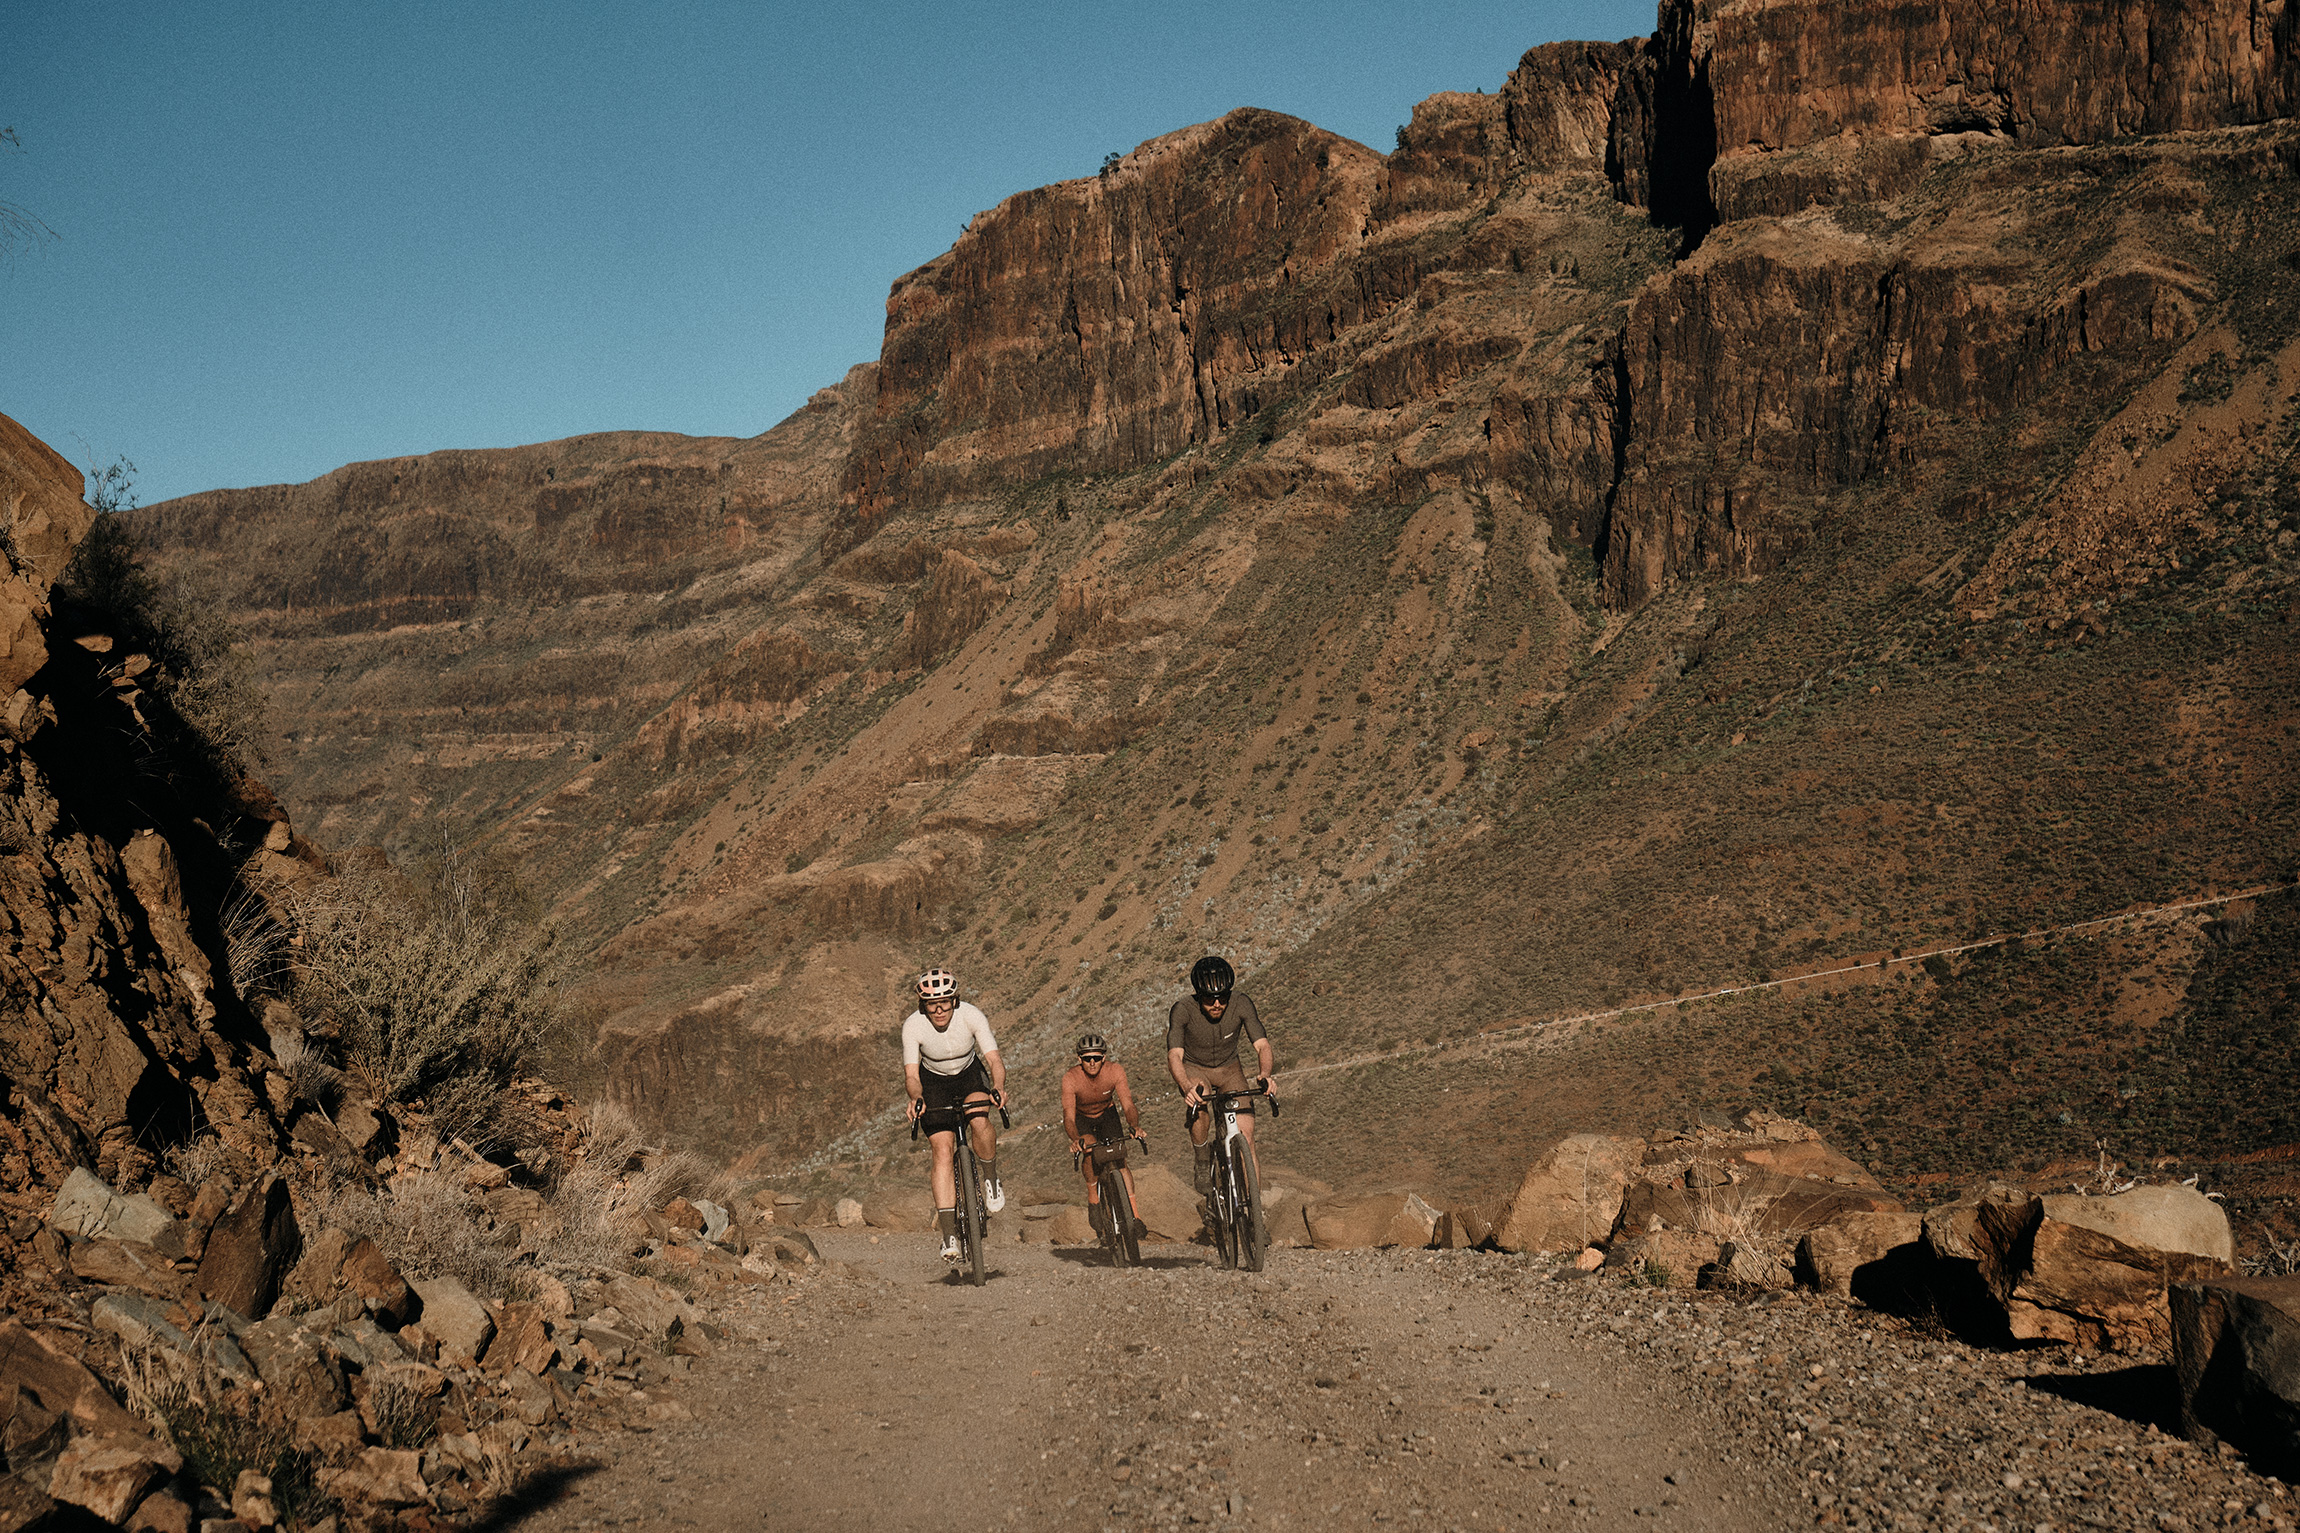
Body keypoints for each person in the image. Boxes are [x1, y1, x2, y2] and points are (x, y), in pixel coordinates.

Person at [901, 967, 1007, 1261]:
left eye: (945, 1002)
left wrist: (998, 1086)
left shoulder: (972, 1015)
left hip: (969, 1075)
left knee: (980, 1119)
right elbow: (912, 1075)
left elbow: (994, 1060)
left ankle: (990, 1178)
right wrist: (916, 1097)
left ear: (955, 1001)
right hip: (933, 1083)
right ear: (923, 1005)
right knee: (942, 1150)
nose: (939, 1010)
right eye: (931, 1004)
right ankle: (949, 1235)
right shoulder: (913, 1025)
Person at [1165, 955, 1276, 1196]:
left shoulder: (1241, 1004)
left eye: (1223, 997)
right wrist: (1186, 1086)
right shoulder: (1183, 1009)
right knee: (1200, 1097)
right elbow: (1175, 1055)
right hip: (1196, 1068)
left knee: (1247, 1137)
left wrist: (1265, 1074)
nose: (1217, 1004)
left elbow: (1262, 1045)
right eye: (1209, 998)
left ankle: (1256, 1210)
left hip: (1229, 1070)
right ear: (1198, 995)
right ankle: (1202, 1158)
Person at [1060, 1033, 1147, 1241]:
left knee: (1120, 1159)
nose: (1092, 1062)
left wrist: (1134, 1126)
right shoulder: (1070, 1078)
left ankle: (1135, 1216)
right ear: (1079, 1059)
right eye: (1087, 1058)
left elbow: (1128, 1104)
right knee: (1089, 1149)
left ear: (1104, 1057)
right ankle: (1093, 1197)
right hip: (1082, 1118)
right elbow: (1069, 1117)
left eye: (1097, 1058)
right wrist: (1076, 1139)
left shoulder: (1115, 1071)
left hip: (1107, 1114)